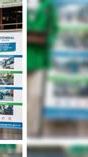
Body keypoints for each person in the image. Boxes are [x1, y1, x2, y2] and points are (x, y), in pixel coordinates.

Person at [27, 0, 58, 137]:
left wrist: (46, 41)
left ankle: (32, 132)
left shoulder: (48, 5)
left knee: (35, 96)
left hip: (39, 59)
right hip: (24, 58)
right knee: (25, 98)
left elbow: (54, 30)